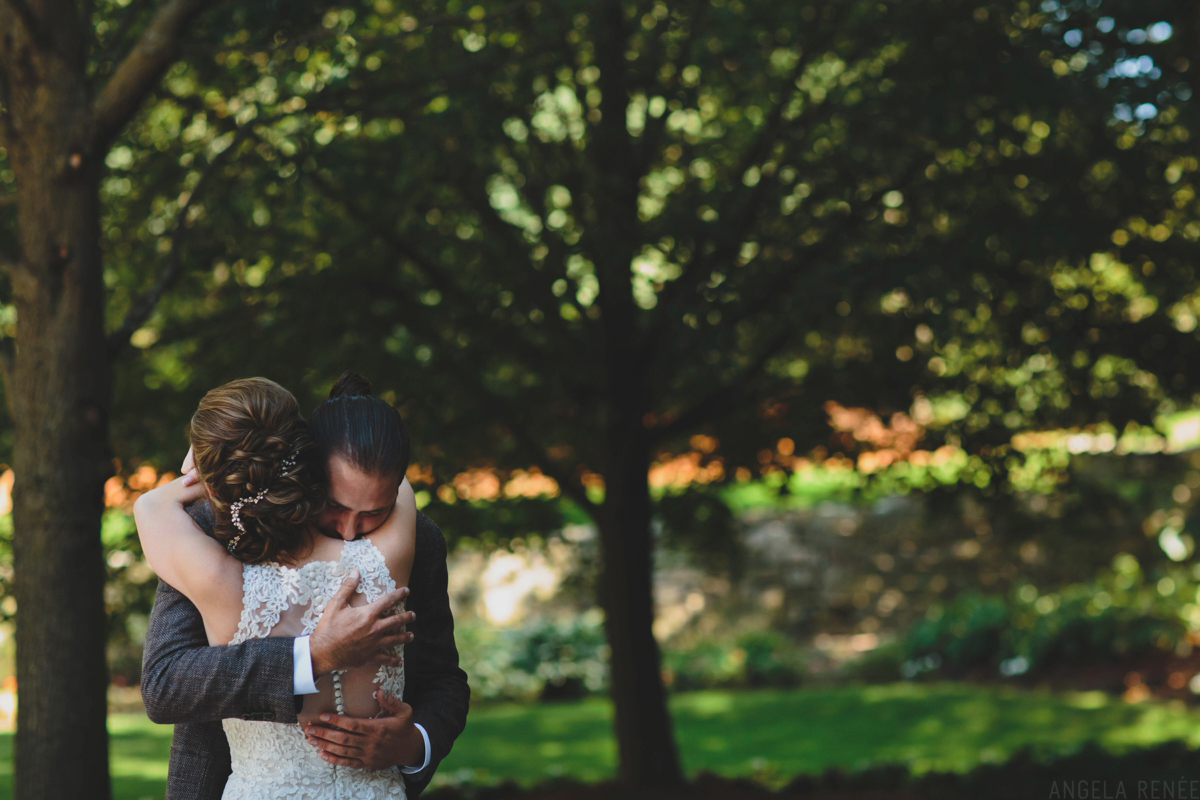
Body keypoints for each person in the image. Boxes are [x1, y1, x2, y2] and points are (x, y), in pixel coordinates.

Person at [138, 374, 468, 799]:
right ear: (307, 471)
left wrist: (414, 744)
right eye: (334, 506)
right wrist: (311, 656)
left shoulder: (419, 541)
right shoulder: (208, 529)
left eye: (375, 512)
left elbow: (443, 678)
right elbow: (166, 684)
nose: (351, 533)